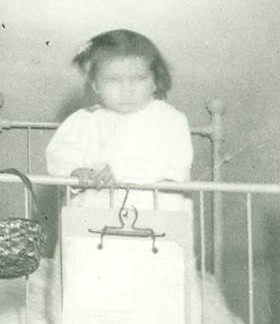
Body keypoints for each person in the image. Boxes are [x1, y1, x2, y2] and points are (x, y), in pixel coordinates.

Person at [44, 29, 193, 209]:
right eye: (113, 80)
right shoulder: (84, 119)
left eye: (138, 79)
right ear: (95, 85)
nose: (126, 90)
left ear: (155, 81)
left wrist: (121, 170)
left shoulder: (169, 119)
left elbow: (175, 164)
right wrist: (74, 171)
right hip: (92, 214)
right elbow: (59, 153)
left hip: (154, 213)